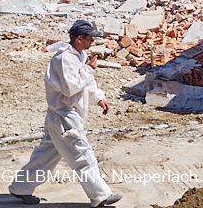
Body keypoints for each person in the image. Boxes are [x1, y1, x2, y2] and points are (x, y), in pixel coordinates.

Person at [9, 20, 122, 206]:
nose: (92, 41)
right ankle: (100, 195)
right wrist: (89, 69)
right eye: (89, 38)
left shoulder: (79, 55)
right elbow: (71, 87)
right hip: (64, 116)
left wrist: (99, 97)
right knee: (82, 155)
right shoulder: (62, 59)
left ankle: (20, 188)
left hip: (64, 116)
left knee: (46, 155)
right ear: (79, 38)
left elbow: (86, 83)